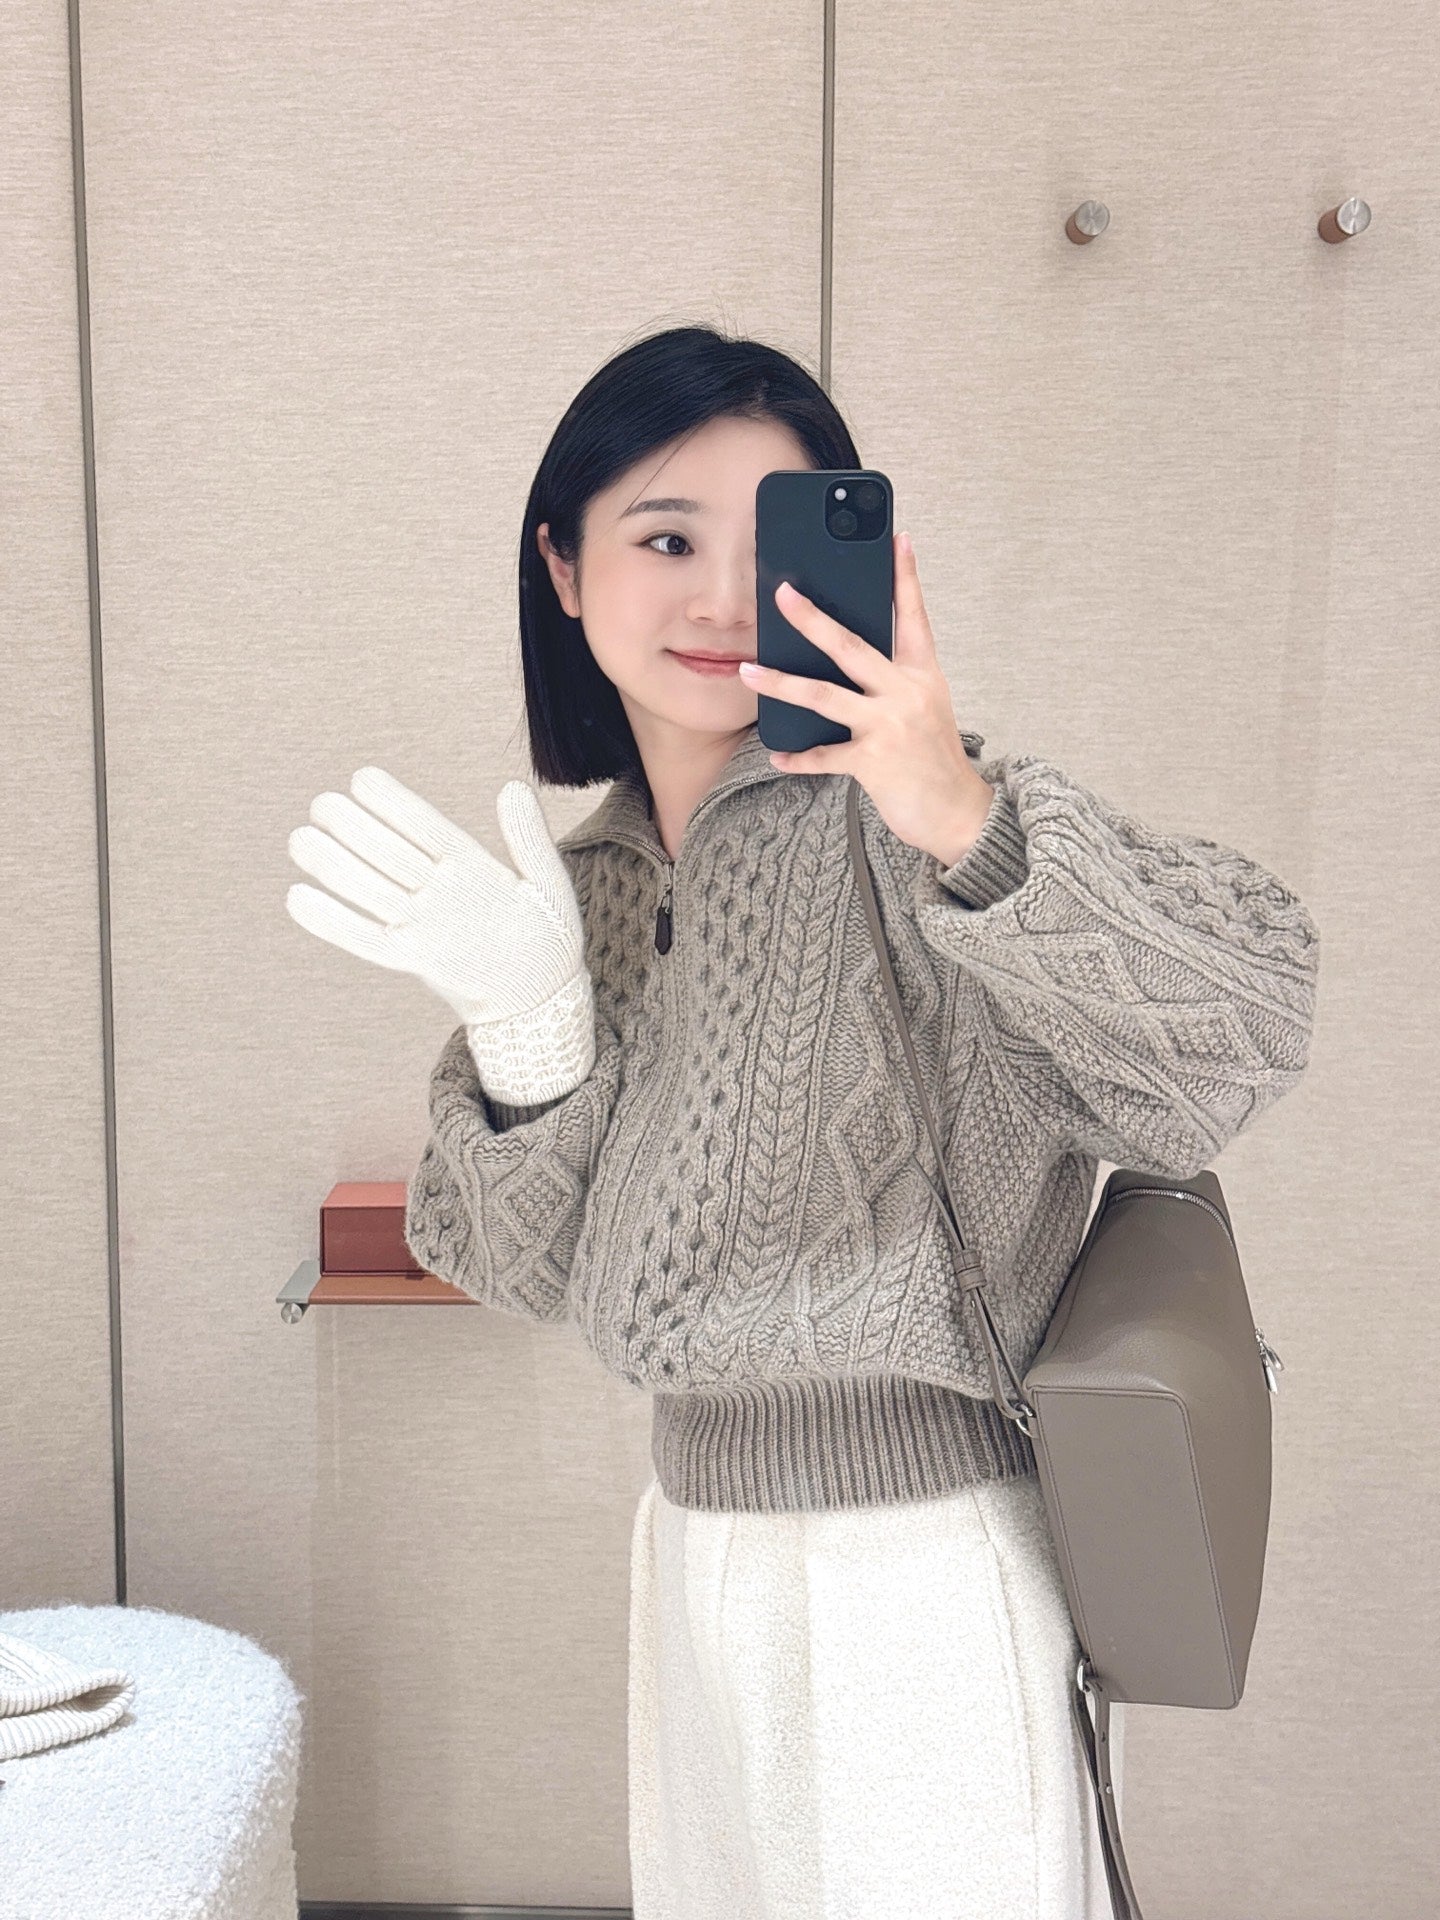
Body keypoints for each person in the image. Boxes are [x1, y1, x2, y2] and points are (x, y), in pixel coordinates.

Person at [285, 325, 1321, 1918]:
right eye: (664, 539)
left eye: (763, 541)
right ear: (563, 568)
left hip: (921, 1564)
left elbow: (1242, 1037)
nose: (716, 597)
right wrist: (528, 1019)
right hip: (694, 1550)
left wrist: (961, 814)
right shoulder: (584, 885)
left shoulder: (917, 821)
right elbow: (523, 1269)